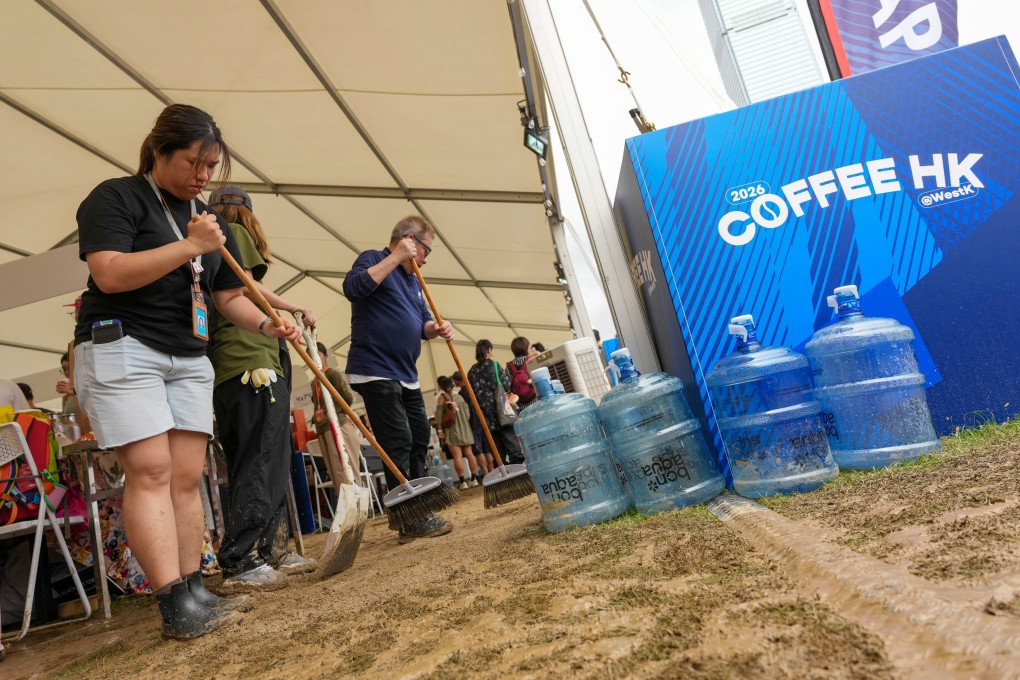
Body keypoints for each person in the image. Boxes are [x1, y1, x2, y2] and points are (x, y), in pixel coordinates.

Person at [72, 103, 302, 640]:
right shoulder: (116, 197)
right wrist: (191, 245)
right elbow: (109, 273)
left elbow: (225, 297)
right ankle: (173, 603)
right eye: (195, 163)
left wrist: (265, 326)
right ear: (159, 151)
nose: (203, 176)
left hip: (189, 356)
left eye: (211, 165)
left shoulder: (205, 218)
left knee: (186, 476)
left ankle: (195, 586)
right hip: (124, 346)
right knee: (150, 470)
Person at [207, 185, 316, 590]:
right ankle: (242, 557)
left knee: (250, 459)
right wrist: (287, 311)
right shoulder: (235, 233)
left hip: (227, 369)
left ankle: (269, 549)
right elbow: (244, 289)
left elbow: (244, 287)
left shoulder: (210, 242)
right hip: (252, 361)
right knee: (264, 457)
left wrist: (287, 307)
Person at [342, 215, 455, 544]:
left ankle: (416, 504)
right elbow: (352, 288)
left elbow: (423, 324)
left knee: (420, 434)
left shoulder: (414, 281)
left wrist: (438, 328)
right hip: (375, 367)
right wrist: (396, 257)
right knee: (398, 440)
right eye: (426, 251)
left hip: (406, 373)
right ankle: (410, 517)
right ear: (410, 241)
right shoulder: (374, 259)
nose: (425, 259)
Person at [310, 341, 363, 488]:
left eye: (317, 355)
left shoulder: (332, 374)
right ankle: (345, 505)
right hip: (323, 428)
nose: (313, 358)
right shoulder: (314, 382)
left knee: (347, 468)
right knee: (335, 473)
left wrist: (333, 411)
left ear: (325, 356)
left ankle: (357, 504)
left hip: (338, 424)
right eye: (309, 355)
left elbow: (347, 398)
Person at [467, 339, 524, 465]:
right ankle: (520, 476)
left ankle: (504, 477)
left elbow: (471, 397)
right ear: (489, 350)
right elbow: (507, 386)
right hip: (503, 414)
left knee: (498, 454)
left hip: (486, 418)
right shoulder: (494, 365)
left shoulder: (472, 372)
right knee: (513, 448)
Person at [435, 375, 478, 489]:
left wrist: (440, 430)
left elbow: (439, 417)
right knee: (469, 454)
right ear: (453, 386)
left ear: (442, 387)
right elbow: (468, 415)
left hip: (452, 431)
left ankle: (463, 482)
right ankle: (474, 479)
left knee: (457, 456)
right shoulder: (460, 397)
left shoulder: (442, 398)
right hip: (465, 429)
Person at [452, 370, 491, 478]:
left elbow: (465, 413)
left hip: (472, 425)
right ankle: (493, 471)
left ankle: (487, 474)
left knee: (478, 451)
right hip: (484, 422)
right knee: (488, 449)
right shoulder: (474, 389)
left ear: (456, 381)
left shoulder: (460, 395)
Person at [506, 336, 537, 410]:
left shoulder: (508, 367)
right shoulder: (532, 361)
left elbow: (507, 387)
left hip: (520, 406)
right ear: (526, 347)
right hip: (535, 402)